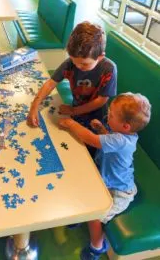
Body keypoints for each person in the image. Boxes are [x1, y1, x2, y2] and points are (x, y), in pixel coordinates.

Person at [58, 93, 151, 260]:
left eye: (112, 115)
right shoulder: (122, 135)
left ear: (126, 127)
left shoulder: (121, 140)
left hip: (119, 191)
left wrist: (72, 124)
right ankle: (80, 217)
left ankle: (97, 247)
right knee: (82, 192)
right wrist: (102, 129)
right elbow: (108, 138)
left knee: (95, 215)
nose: (108, 115)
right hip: (105, 180)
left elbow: (93, 140)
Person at [27, 21, 117, 158]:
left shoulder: (109, 69)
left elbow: (101, 100)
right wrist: (34, 107)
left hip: (99, 118)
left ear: (100, 57)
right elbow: (50, 83)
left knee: (91, 154)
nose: (77, 66)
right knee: (72, 149)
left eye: (84, 63)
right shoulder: (71, 63)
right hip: (75, 114)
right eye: (74, 60)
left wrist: (74, 110)